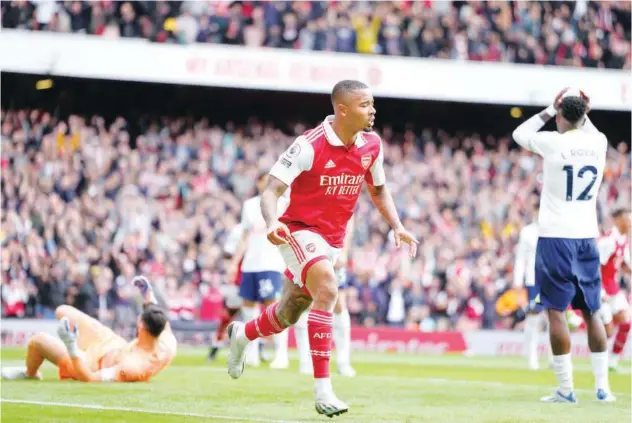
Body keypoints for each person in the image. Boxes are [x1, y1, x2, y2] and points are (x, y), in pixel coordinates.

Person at [226, 79, 418, 417]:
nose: (372, 110)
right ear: (342, 109)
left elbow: (378, 190)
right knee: (328, 288)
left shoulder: (372, 145)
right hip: (299, 232)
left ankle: (243, 334)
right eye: (364, 105)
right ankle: (323, 390)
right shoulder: (308, 145)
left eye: (372, 104)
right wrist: (272, 223)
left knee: (289, 312)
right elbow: (271, 190)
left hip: (332, 239)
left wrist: (398, 226)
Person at [512, 87, 615, 403]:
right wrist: (584, 109)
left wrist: (548, 109)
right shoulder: (598, 143)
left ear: (560, 116)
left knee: (556, 312)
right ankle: (602, 388)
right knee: (592, 311)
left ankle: (566, 389)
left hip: (556, 237)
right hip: (586, 237)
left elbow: (520, 133)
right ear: (584, 116)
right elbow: (587, 125)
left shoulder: (552, 142)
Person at [2, 276, 177, 382]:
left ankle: (30, 373)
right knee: (62, 311)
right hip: (113, 344)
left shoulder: (133, 367)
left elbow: (91, 379)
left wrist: (71, 346)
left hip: (93, 364)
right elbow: (158, 316)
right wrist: (148, 295)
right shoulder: (166, 342)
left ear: (142, 326)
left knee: (38, 341)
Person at [229, 173, 291, 369]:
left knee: (274, 308)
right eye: (265, 179)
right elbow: (244, 236)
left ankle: (281, 354)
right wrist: (234, 262)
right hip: (250, 264)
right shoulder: (249, 205)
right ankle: (252, 353)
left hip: (271, 263)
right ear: (258, 182)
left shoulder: (282, 203)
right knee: (249, 308)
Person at [295, 215, 357, 377]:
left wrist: (343, 252)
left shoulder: (343, 193)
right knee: (307, 301)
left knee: (339, 304)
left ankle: (343, 362)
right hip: (311, 251)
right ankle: (305, 360)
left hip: (335, 251)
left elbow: (348, 225)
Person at [513, 204, 549, 370]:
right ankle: (532, 358)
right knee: (533, 316)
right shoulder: (527, 232)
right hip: (534, 280)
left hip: (552, 279)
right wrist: (517, 280)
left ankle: (554, 357)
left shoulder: (553, 229)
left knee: (554, 316)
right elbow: (521, 258)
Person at [596, 208, 631, 370]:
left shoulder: (623, 239)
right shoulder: (607, 241)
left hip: (614, 289)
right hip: (601, 290)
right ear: (618, 220)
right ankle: (598, 362)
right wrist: (600, 292)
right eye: (627, 219)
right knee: (607, 332)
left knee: (626, 323)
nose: (630, 223)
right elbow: (593, 267)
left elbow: (623, 263)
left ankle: (613, 362)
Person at [208, 224, 245, 361]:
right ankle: (215, 346)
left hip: (251, 280)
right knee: (227, 317)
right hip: (238, 282)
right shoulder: (239, 231)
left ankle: (259, 348)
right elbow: (227, 254)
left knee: (257, 317)